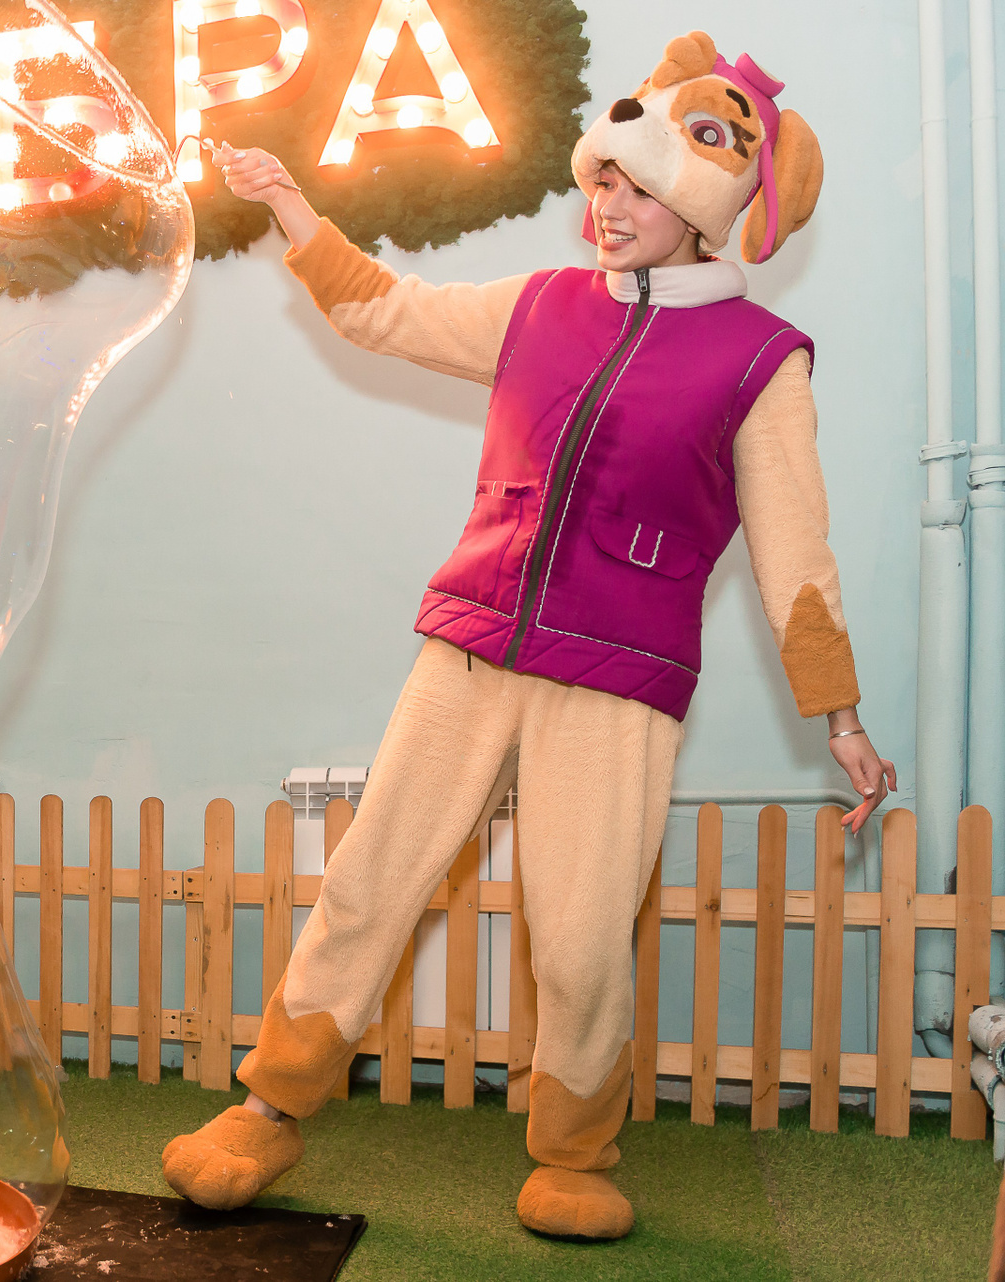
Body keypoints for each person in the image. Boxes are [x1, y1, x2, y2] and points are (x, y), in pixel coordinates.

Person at [162, 32, 896, 1240]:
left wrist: (842, 715)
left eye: (639, 190)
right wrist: (290, 201)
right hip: (470, 641)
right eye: (604, 180)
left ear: (706, 211)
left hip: (619, 678)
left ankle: (575, 1152)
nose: (609, 207)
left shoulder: (762, 361)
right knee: (369, 880)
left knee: (583, 932)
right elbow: (386, 311)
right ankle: (267, 1107)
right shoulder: (542, 304)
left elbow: (795, 552)